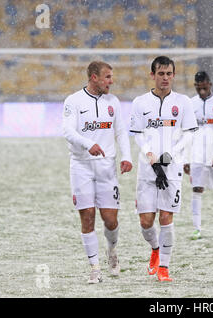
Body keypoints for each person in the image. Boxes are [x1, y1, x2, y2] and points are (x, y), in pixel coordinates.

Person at [62, 61, 132, 283]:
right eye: (108, 77)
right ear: (94, 77)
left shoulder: (113, 102)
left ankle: (112, 251)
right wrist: (87, 143)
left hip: (106, 167)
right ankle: (94, 268)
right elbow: (68, 131)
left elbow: (121, 131)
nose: (112, 81)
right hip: (81, 166)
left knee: (110, 220)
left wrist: (127, 156)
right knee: (88, 217)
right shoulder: (73, 101)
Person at [129, 56, 198, 282]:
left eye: (169, 74)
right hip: (147, 169)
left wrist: (170, 156)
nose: (165, 78)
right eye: (161, 74)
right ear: (153, 75)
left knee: (166, 217)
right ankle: (155, 249)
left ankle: (164, 269)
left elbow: (189, 134)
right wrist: (152, 158)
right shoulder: (140, 102)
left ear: (174, 75)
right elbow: (138, 135)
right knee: (146, 221)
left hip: (173, 168)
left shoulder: (184, 102)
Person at [183, 71, 213, 240]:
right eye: (198, 88)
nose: (201, 91)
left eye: (204, 87)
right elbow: (187, 133)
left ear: (210, 84)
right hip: (198, 156)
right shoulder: (190, 104)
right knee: (197, 190)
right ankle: (197, 229)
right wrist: (186, 158)